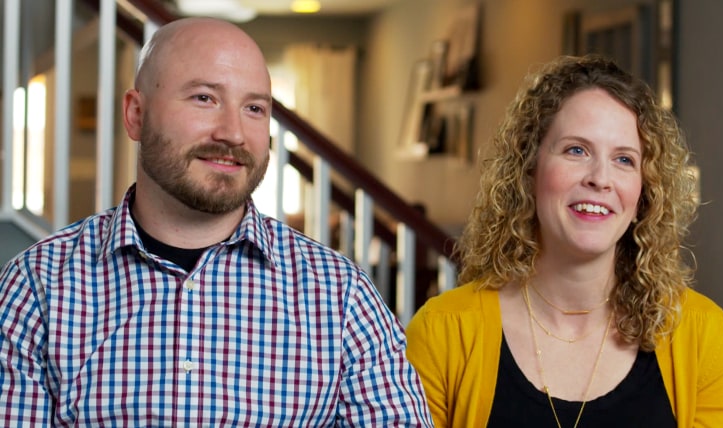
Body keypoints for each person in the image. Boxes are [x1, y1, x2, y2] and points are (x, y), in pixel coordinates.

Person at [0, 17, 433, 426]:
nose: (233, 133)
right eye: (204, 98)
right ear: (135, 114)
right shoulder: (36, 285)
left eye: (255, 109)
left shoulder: (342, 297)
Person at [406, 54, 723, 427]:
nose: (600, 178)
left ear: (644, 195)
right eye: (576, 150)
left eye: (624, 160)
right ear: (529, 171)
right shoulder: (443, 330)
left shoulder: (700, 331)